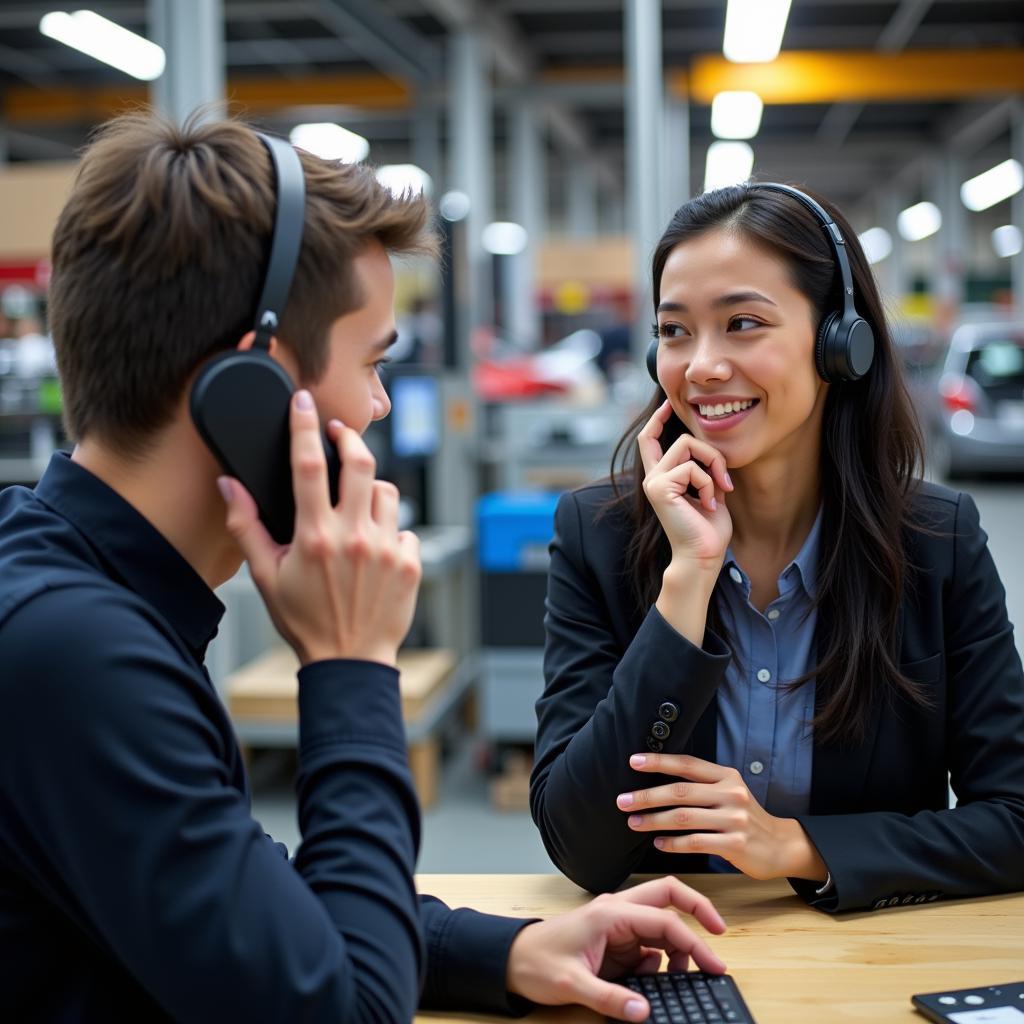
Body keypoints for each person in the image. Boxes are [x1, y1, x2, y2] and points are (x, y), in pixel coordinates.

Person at [0, 113, 728, 1023]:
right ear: (251, 397)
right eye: (375, 364)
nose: (382, 405)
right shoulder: (74, 654)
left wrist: (502, 947)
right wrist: (351, 667)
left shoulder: (65, 591)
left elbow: (247, 904)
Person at [530, 182, 1024, 914]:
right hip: (673, 958)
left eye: (742, 323)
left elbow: (1013, 818)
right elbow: (579, 845)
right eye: (674, 331)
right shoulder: (597, 535)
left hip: (866, 961)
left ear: (839, 344)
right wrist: (686, 586)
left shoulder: (935, 541)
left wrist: (796, 845)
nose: (701, 365)